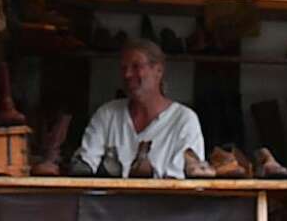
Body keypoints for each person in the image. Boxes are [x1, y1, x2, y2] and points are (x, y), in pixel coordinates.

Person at [73, 39, 204, 178]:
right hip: (109, 199)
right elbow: (85, 164)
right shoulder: (107, 114)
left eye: (136, 66)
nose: (127, 74)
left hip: (164, 200)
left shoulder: (184, 120)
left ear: (158, 70)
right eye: (124, 68)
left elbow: (187, 180)